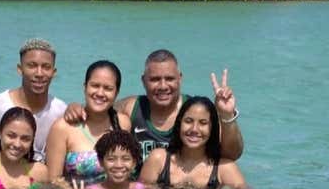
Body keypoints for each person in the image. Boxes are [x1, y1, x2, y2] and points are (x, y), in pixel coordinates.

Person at [63, 49, 243, 164]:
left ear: (180, 78)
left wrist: (227, 116)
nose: (163, 86)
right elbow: (98, 108)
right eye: (155, 79)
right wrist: (76, 107)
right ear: (143, 81)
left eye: (169, 79)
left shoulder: (195, 111)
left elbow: (232, 155)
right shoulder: (131, 108)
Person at [0, 38, 67, 179]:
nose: (39, 73)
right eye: (32, 66)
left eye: (46, 67)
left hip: (37, 183)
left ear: (54, 72)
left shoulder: (60, 110)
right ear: (20, 69)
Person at [45, 60, 131, 184]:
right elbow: (54, 180)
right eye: (95, 86)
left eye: (108, 88)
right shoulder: (62, 128)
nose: (100, 93)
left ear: (116, 92)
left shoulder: (123, 123)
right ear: (85, 87)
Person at [139, 96, 246, 189]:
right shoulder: (158, 160)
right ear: (179, 123)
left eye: (203, 123)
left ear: (212, 128)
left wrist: (227, 115)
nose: (194, 129)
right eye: (188, 121)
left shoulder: (224, 169)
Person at [68, 129, 152, 189]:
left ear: (134, 163)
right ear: (101, 162)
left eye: (126, 159)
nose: (119, 165)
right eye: (111, 159)